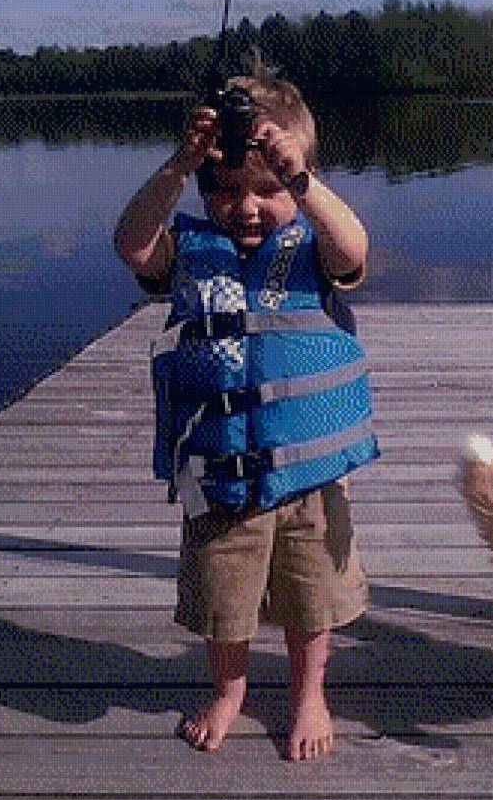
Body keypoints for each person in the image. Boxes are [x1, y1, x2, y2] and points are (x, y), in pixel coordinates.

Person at [114, 76, 377, 761]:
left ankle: (307, 694)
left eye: (268, 189)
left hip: (310, 478)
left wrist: (302, 178)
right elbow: (132, 244)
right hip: (220, 474)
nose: (247, 207)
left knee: (311, 603)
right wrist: (179, 165)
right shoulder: (188, 250)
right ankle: (228, 691)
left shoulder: (314, 249)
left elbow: (354, 248)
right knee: (223, 606)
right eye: (227, 189)